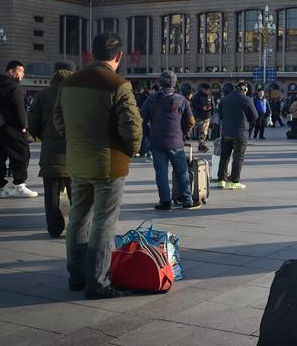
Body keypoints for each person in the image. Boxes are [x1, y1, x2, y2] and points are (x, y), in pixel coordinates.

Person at [54, 32, 142, 298]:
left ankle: (76, 276)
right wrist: (131, 151)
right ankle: (98, 282)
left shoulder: (69, 83)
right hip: (109, 164)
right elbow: (132, 127)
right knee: (104, 222)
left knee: (78, 219)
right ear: (118, 56)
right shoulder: (118, 84)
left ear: (91, 53)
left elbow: (58, 119)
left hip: (78, 161)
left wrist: (74, 140)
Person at [28, 60, 76, 236]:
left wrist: (44, 134)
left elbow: (32, 122)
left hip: (50, 150)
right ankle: (78, 228)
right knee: (77, 194)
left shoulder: (43, 95)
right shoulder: (79, 95)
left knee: (51, 194)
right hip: (75, 151)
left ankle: (54, 227)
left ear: (54, 74)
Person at [141, 70, 198, 211]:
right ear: (174, 83)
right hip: (176, 141)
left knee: (161, 173)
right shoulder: (181, 100)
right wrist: (182, 133)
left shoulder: (151, 99)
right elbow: (191, 121)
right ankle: (187, 201)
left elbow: (142, 120)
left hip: (157, 141)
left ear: (160, 83)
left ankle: (165, 202)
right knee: (181, 171)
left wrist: (149, 133)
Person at [0, 60, 38, 198]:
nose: (23, 74)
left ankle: (1, 188)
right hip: (12, 128)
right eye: (20, 71)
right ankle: (19, 185)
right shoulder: (14, 87)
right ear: (11, 71)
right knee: (22, 153)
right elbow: (20, 109)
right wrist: (23, 126)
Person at [217, 81, 258, 190]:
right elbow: (254, 116)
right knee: (238, 157)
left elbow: (220, 115)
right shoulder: (247, 100)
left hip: (226, 132)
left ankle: (221, 180)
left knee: (224, 156)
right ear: (244, 89)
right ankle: (234, 182)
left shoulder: (224, 99)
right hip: (240, 133)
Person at [191, 83, 215, 150]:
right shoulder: (197, 96)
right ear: (203, 89)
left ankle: (202, 144)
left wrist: (211, 109)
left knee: (205, 131)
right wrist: (202, 107)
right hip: (200, 116)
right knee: (201, 131)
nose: (207, 91)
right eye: (206, 90)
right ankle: (201, 145)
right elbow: (194, 105)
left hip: (207, 116)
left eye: (208, 90)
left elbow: (213, 105)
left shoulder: (210, 96)